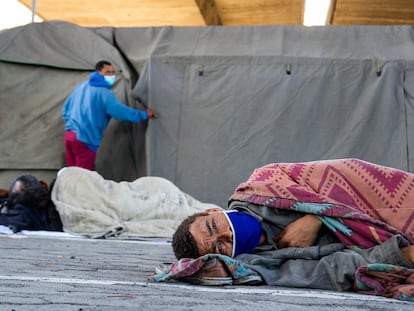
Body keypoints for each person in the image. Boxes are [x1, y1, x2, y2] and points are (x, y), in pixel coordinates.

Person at [171, 158, 414, 293]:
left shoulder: (264, 182)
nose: (226, 236)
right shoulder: (263, 263)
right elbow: (330, 269)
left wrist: (317, 216)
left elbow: (343, 176)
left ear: (212, 211)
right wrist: (401, 255)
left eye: (213, 226)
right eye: (220, 247)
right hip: (391, 247)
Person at [62, 60, 157, 170]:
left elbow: (66, 110)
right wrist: (144, 114)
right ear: (98, 72)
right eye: (107, 72)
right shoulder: (104, 93)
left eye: (112, 72)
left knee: (71, 176)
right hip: (85, 140)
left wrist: (72, 125)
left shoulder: (82, 87)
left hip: (69, 136)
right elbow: (120, 112)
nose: (111, 75)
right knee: (83, 179)